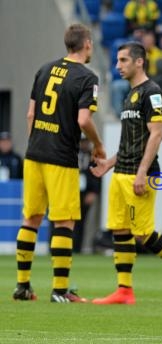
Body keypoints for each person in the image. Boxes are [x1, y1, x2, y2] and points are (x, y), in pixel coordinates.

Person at [90, 41, 162, 305]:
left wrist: (142, 172)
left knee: (143, 233)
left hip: (141, 174)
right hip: (121, 172)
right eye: (118, 60)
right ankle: (124, 290)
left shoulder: (152, 92)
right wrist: (109, 164)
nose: (118, 66)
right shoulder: (129, 95)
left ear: (139, 61)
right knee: (120, 229)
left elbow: (157, 135)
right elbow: (133, 141)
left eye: (123, 60)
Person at [13, 24, 106, 303]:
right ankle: (60, 289)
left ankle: (22, 286)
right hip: (61, 157)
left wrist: (36, 143)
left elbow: (30, 114)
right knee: (64, 221)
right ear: (87, 44)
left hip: (35, 153)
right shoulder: (87, 78)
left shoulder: (43, 70)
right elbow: (83, 120)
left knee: (31, 218)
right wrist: (99, 145)